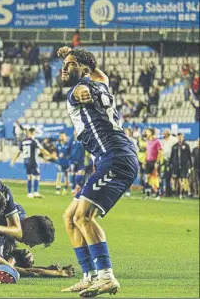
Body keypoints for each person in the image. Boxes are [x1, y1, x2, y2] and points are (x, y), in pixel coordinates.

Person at [58, 46, 139, 297]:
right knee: (70, 218)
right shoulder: (101, 82)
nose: (64, 68)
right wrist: (73, 55)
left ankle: (106, 276)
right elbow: (99, 75)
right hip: (112, 157)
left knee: (84, 217)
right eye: (65, 64)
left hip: (115, 159)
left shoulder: (80, 89)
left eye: (70, 65)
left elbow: (84, 88)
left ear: (84, 71)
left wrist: (82, 87)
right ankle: (89, 275)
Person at [10, 128, 55, 198]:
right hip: (33, 161)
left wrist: (13, 160)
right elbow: (42, 149)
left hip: (26, 161)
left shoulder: (23, 141)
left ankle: (29, 193)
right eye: (34, 133)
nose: (35, 134)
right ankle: (36, 192)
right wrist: (49, 155)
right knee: (37, 175)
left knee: (29, 176)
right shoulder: (34, 141)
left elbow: (18, 152)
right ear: (32, 133)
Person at [169, 133, 192, 199]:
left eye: (180, 137)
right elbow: (171, 156)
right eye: (178, 137)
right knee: (175, 179)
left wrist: (190, 165)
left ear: (183, 137)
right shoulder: (174, 146)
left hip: (184, 166)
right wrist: (169, 164)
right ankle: (175, 191)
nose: (179, 138)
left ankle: (181, 193)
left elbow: (189, 156)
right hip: (175, 166)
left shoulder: (186, 146)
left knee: (182, 179)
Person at [143, 128, 163, 199]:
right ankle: (148, 194)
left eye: (147, 132)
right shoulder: (148, 141)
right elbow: (147, 152)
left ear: (151, 133)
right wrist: (144, 161)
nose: (146, 133)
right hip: (148, 162)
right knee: (147, 178)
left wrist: (157, 162)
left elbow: (160, 152)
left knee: (156, 178)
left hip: (154, 162)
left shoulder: (157, 141)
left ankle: (158, 194)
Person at [161, 129, 178, 197]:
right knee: (167, 177)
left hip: (173, 160)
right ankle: (168, 192)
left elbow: (176, 148)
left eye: (164, 133)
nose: (163, 134)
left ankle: (176, 192)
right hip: (166, 160)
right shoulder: (164, 141)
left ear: (168, 133)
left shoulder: (173, 139)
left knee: (174, 177)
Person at [69, 130, 86, 197]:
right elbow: (68, 149)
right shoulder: (71, 140)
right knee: (72, 174)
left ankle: (78, 186)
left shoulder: (82, 140)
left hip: (81, 161)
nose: (75, 132)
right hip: (73, 161)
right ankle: (73, 189)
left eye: (76, 130)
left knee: (80, 175)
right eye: (75, 131)